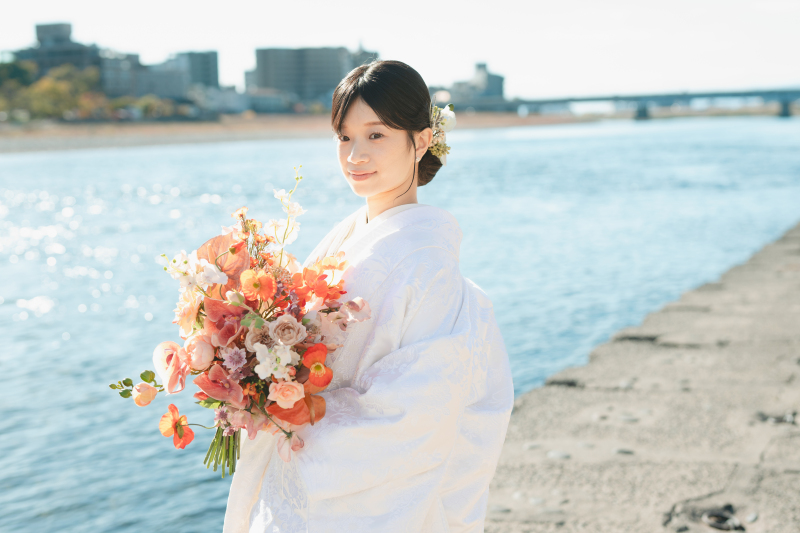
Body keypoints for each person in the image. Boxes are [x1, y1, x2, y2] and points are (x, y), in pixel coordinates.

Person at [224, 60, 513, 533]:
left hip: (362, 500)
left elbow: (415, 413)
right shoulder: (349, 236)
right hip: (309, 472)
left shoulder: (427, 263)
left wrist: (286, 409)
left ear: (420, 140)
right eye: (344, 137)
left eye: (375, 135)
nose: (355, 154)